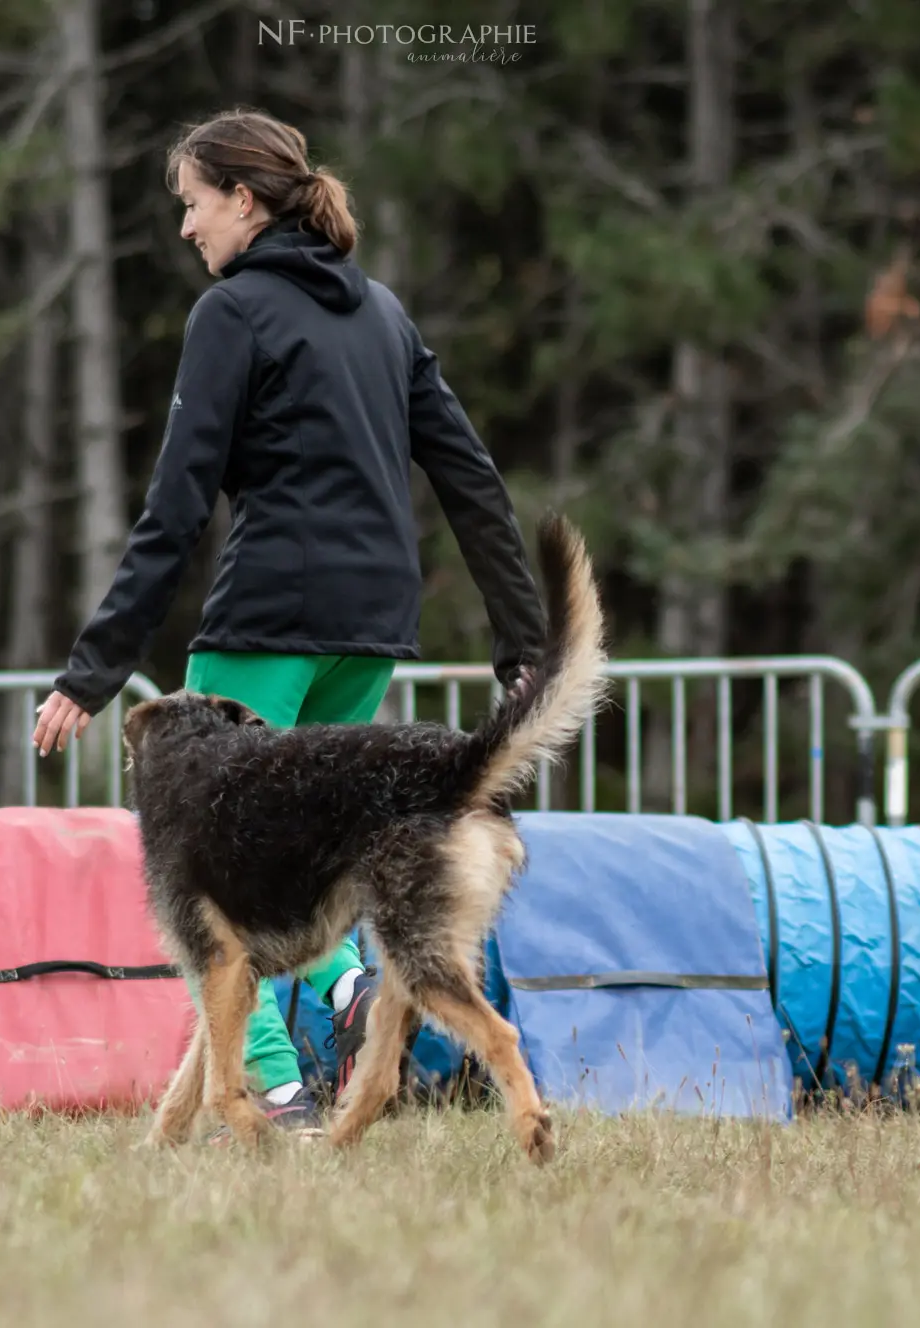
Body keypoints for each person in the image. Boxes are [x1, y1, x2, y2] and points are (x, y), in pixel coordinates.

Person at [33, 107, 546, 1138]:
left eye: (191, 205)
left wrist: (92, 670)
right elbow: (469, 477)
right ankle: (355, 987)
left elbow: (176, 504)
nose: (186, 230)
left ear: (244, 199)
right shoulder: (382, 313)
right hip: (372, 623)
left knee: (213, 875)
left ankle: (272, 1087)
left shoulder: (233, 314)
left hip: (266, 617)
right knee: (312, 847)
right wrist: (519, 637)